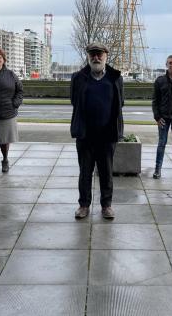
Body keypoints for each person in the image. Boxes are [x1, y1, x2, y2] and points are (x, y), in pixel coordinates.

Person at [70, 42, 124, 220]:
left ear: (106, 56)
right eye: (92, 54)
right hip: (85, 135)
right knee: (85, 172)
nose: (96, 57)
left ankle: (106, 206)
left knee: (106, 172)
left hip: (107, 136)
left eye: (99, 54)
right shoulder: (78, 78)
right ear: (88, 56)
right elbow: (74, 101)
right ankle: (84, 205)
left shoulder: (115, 78)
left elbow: (120, 103)